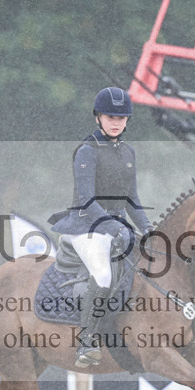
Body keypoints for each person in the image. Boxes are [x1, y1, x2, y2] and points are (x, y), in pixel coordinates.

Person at [49, 87, 152, 367]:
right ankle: (86, 342)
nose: (116, 121)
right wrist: (112, 227)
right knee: (104, 274)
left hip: (118, 225)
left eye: (121, 117)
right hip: (86, 226)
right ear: (98, 118)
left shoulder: (128, 151)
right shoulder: (87, 151)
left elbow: (132, 199)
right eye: (110, 116)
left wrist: (148, 228)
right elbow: (86, 199)